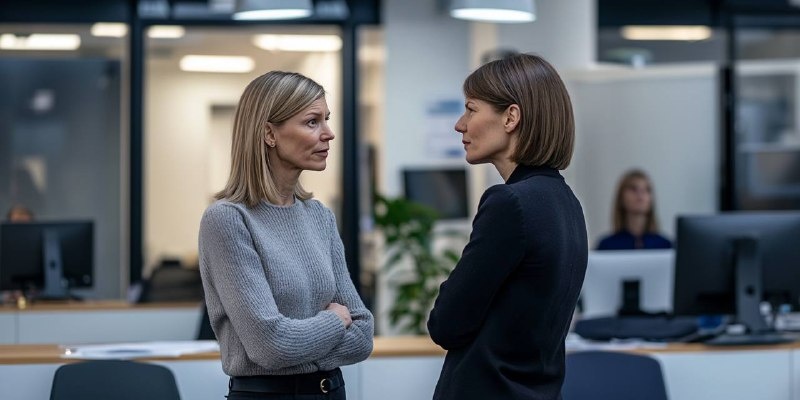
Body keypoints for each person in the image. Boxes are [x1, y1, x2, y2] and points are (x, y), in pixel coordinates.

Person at [198, 71, 373, 400]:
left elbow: (362, 335)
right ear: (269, 134)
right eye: (312, 122)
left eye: (327, 120)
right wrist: (335, 321)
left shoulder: (319, 216)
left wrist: (299, 343)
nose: (329, 133)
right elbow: (270, 345)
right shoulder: (228, 220)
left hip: (332, 391)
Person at [427, 53, 588, 400]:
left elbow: (446, 323)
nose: (460, 124)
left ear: (511, 117)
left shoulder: (510, 203)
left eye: (471, 109)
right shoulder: (567, 202)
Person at [596, 169, 672, 250]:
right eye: (633, 189)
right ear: (621, 198)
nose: (640, 194)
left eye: (647, 189)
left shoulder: (666, 246)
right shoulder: (606, 246)